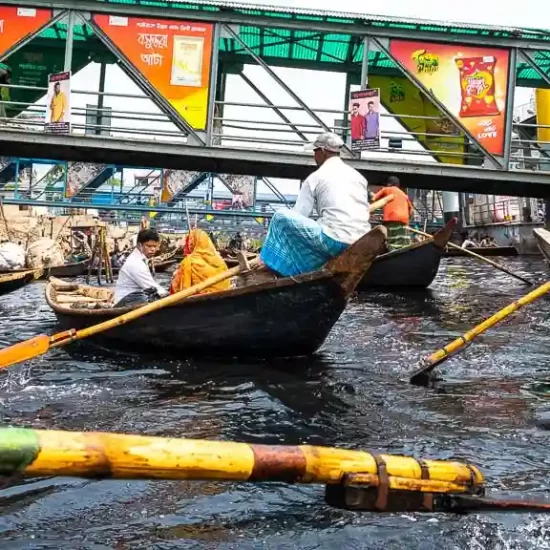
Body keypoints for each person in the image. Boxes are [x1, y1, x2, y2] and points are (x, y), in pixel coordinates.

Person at [260, 132, 371, 277]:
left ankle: (268, 262)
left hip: (334, 241)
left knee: (280, 217)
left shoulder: (316, 177)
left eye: (315, 151)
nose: (314, 156)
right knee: (320, 226)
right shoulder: (359, 177)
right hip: (361, 240)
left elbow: (299, 214)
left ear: (323, 152)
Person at [113, 229, 167, 306]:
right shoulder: (135, 263)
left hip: (130, 299)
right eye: (148, 246)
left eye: (155, 246)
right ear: (139, 245)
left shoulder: (140, 259)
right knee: (147, 296)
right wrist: (170, 296)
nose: (153, 249)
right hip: (124, 302)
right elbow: (152, 287)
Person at [169, 229, 230, 295]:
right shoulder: (221, 262)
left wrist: (176, 275)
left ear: (192, 243)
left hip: (196, 301)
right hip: (222, 297)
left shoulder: (189, 261)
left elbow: (176, 289)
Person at [372, 176, 412, 251]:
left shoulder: (386, 189)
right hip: (404, 220)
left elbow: (374, 199)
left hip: (391, 218)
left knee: (390, 239)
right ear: (398, 185)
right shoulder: (404, 195)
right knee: (402, 241)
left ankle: (391, 251)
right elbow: (410, 210)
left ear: (389, 184)